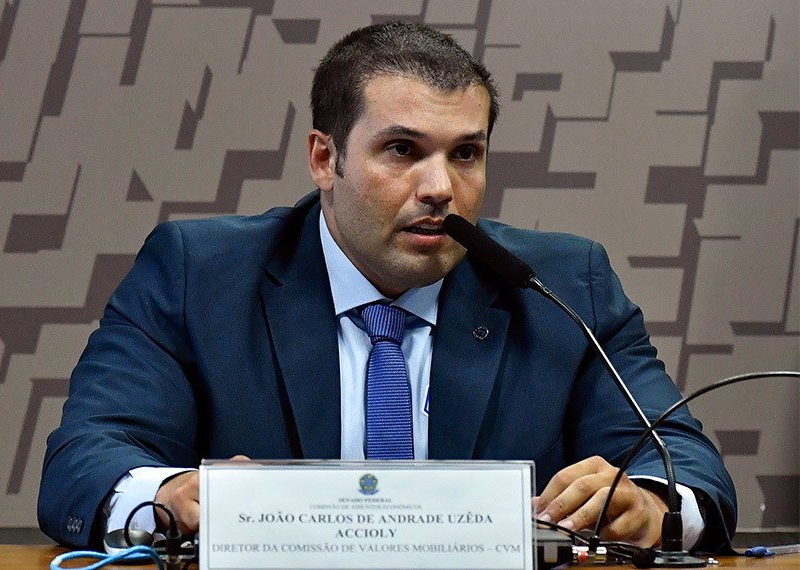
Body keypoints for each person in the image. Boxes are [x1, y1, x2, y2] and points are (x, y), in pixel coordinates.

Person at [38, 21, 737, 553]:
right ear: (325, 158)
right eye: (403, 150)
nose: (440, 188)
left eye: (466, 154)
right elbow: (87, 458)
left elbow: (685, 465)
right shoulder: (200, 274)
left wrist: (651, 505)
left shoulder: (561, 286)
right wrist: (170, 496)